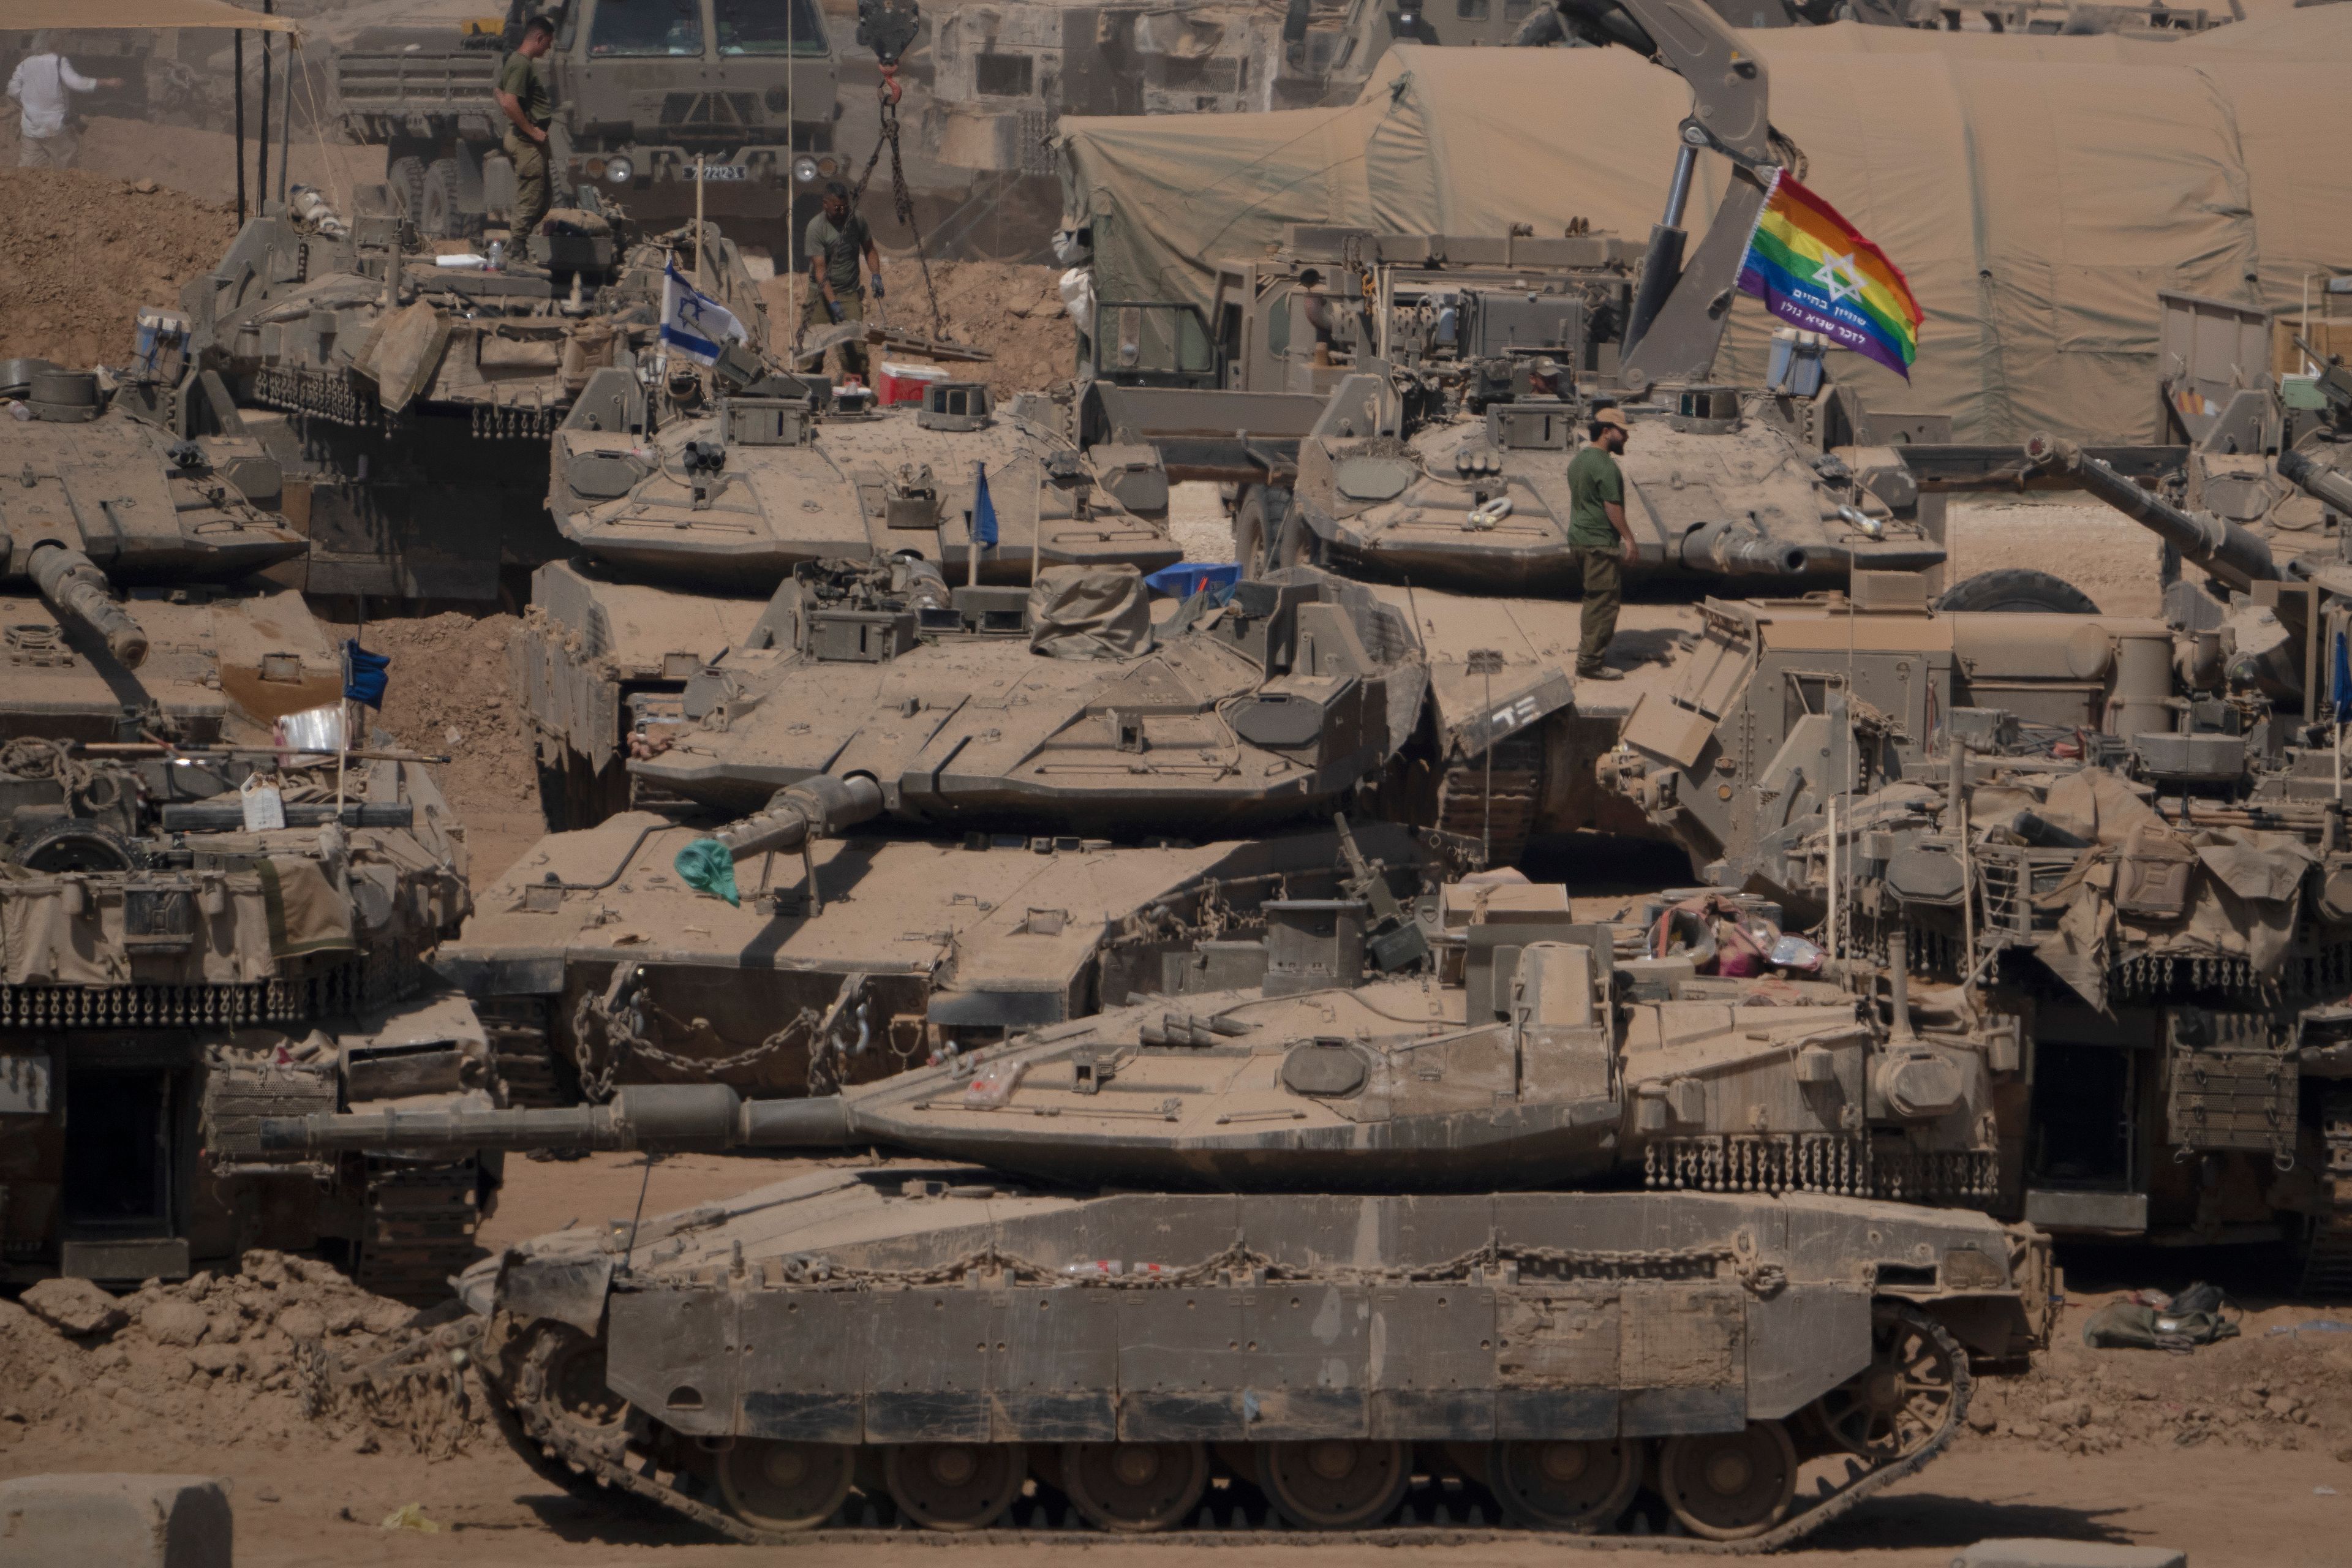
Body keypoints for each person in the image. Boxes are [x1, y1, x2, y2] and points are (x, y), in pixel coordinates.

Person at [1566, 405, 1637, 680]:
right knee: (1603, 602)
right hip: (1599, 542)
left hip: (1580, 538)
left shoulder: (1579, 461)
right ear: (1606, 431)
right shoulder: (1606, 466)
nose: (1626, 437)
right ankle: (1590, 664)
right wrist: (1629, 540)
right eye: (1623, 432)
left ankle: (1590, 654)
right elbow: (1612, 507)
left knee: (1593, 598)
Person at [804, 179, 884, 383]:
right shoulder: (816, 228)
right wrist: (833, 303)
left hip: (848, 293)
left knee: (855, 352)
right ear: (826, 205)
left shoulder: (857, 220)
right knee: (811, 351)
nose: (842, 212)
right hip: (821, 294)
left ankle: (855, 392)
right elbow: (820, 271)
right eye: (837, 208)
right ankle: (808, 391)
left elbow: (869, 249)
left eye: (845, 207)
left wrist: (876, 274)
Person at [7, 35, 121, 170]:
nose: (63, 48)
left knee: (28, 171)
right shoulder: (59, 62)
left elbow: (12, 90)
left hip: (30, 129)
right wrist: (107, 82)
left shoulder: (26, 64)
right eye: (61, 44)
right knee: (68, 167)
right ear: (55, 45)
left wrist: (28, 104)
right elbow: (77, 83)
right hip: (54, 127)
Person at [496, 14, 559, 242]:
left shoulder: (517, 62)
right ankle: (517, 253)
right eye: (548, 44)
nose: (548, 49)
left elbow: (499, 91)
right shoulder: (521, 64)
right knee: (531, 198)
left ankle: (519, 244)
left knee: (543, 199)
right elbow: (509, 101)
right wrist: (531, 130)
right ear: (539, 38)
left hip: (530, 141)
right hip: (526, 141)